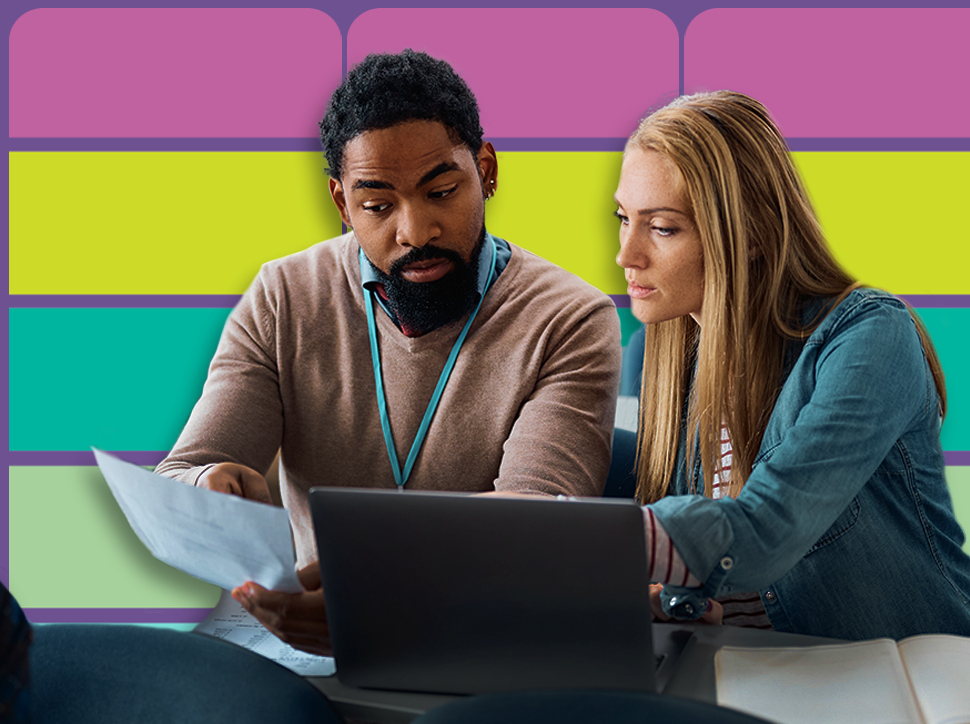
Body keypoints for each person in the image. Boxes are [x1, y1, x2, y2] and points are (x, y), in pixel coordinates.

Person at [155, 50, 621, 655]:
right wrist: (208, 486)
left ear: (486, 169)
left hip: (474, 635)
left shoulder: (569, 318)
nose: (415, 231)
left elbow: (533, 525)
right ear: (343, 203)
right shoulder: (283, 295)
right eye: (377, 205)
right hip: (300, 638)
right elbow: (180, 477)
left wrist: (377, 592)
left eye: (443, 191)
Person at [614, 91, 970, 642]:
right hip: (794, 682)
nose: (626, 255)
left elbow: (768, 527)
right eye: (623, 218)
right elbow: (699, 558)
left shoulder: (869, 336)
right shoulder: (665, 361)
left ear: (750, 234)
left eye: (662, 228)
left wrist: (584, 543)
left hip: (940, 700)